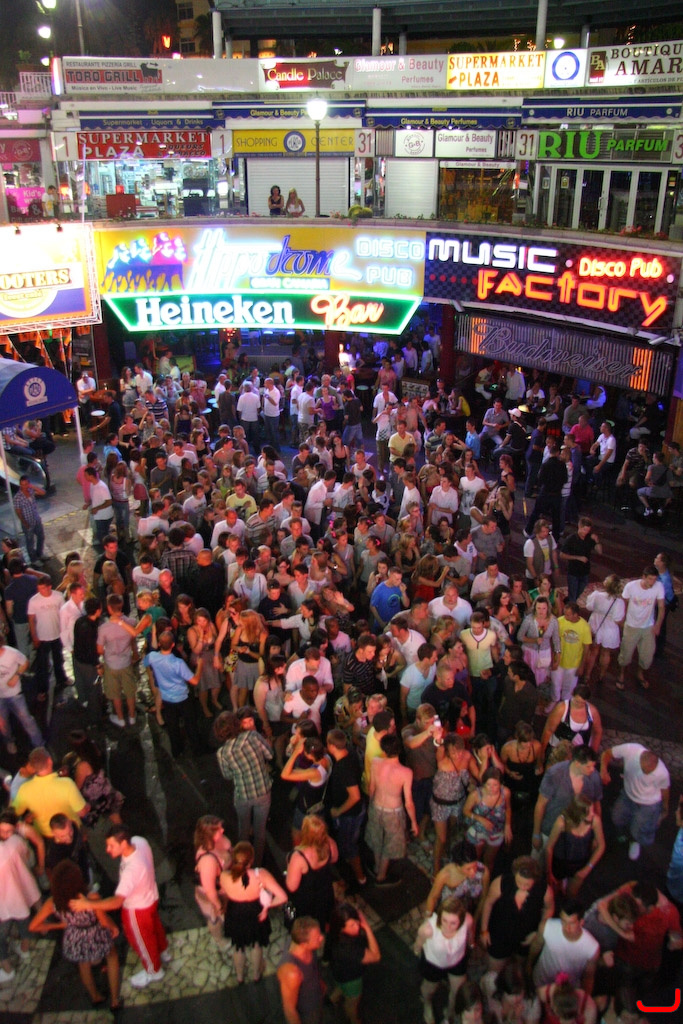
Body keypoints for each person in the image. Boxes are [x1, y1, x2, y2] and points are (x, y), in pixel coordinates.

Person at [70, 825, 170, 990]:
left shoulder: (131, 871)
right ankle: (163, 951)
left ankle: (154, 971)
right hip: (150, 897)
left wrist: (88, 904)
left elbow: (117, 901)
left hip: (137, 910)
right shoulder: (139, 841)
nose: (107, 850)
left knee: (143, 941)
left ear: (123, 843)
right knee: (155, 929)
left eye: (111, 845)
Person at [29, 860, 121, 1010]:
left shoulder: (53, 902)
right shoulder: (90, 898)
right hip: (95, 934)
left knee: (83, 964)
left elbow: (33, 926)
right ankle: (115, 1000)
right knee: (111, 956)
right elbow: (103, 921)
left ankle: (95, 997)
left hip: (75, 937)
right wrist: (113, 926)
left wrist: (59, 925)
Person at [220, 840, 287, 984]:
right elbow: (282, 897)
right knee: (256, 945)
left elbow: (224, 893)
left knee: (238, 947)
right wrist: (266, 906)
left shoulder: (224, 876)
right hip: (255, 912)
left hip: (235, 912)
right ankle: (256, 975)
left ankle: (239, 977)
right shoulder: (260, 875)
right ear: (251, 860)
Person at [600, 742, 670, 862]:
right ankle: (622, 834)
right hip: (628, 795)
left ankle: (634, 841)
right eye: (645, 770)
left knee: (638, 829)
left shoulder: (662, 773)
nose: (647, 774)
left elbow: (665, 791)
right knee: (616, 818)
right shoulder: (630, 750)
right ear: (640, 760)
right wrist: (603, 770)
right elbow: (607, 754)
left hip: (649, 803)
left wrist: (664, 808)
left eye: (650, 772)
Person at [413, 896, 474, 1024]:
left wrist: (471, 944)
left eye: (453, 923)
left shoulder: (467, 921)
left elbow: (470, 934)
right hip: (433, 963)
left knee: (458, 992)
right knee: (429, 989)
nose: (447, 926)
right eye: (444, 920)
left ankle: (450, 1014)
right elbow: (418, 944)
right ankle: (427, 1005)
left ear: (461, 921)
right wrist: (418, 953)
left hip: (457, 960)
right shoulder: (428, 930)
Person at [532, 746, 602, 856]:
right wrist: (536, 834)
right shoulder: (555, 774)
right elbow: (541, 804)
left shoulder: (594, 777)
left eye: (593, 766)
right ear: (577, 763)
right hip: (550, 827)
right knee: (539, 858)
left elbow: (596, 804)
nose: (592, 770)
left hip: (576, 834)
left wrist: (596, 836)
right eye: (588, 766)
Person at [366, 733, 418, 883]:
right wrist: (414, 822)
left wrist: (370, 805)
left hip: (376, 806)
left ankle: (377, 867)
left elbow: (371, 787)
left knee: (377, 839)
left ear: (383, 749)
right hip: (393, 811)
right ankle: (381, 876)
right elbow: (409, 802)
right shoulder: (406, 772)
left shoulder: (376, 762)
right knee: (390, 844)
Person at [0, 810, 42, 984]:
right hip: (21, 893)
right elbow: (28, 857)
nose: (5, 834)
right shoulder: (17, 841)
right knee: (24, 920)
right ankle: (24, 950)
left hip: (5, 900)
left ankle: (7, 969)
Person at [12, 745, 89, 837]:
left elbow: (13, 813)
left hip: (46, 836)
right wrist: (88, 805)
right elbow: (82, 812)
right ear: (49, 761)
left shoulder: (24, 789)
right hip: (70, 832)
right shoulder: (67, 784)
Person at [325, 728, 367, 887]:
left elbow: (355, 796)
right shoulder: (349, 753)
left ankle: (360, 878)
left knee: (349, 846)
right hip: (352, 812)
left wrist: (338, 811)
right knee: (348, 842)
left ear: (331, 746)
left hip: (350, 814)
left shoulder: (343, 768)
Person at [327, 904, 381, 1024]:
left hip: (338, 972)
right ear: (341, 928)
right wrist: (367, 928)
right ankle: (353, 1020)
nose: (358, 926)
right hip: (351, 979)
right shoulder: (349, 948)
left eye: (357, 921)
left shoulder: (334, 934)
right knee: (352, 1003)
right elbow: (376, 956)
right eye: (352, 925)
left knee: (341, 986)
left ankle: (332, 999)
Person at [530, 901, 600, 993]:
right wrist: (528, 966)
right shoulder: (547, 927)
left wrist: (584, 997)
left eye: (571, 923)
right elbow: (535, 947)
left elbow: (588, 977)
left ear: (581, 922)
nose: (567, 927)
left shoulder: (591, 947)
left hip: (567, 993)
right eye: (563, 921)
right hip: (540, 984)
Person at [545, 794, 606, 899]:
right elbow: (549, 848)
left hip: (580, 862)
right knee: (554, 892)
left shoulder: (595, 821)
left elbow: (601, 846)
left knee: (571, 894)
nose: (593, 814)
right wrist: (549, 872)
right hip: (560, 861)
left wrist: (588, 868)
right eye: (589, 812)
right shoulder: (562, 822)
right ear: (578, 813)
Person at [285, 814, 338, 931]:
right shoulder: (330, 843)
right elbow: (334, 858)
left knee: (304, 929)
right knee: (323, 922)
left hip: (305, 902)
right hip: (325, 895)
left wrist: (288, 869)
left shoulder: (298, 856)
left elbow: (292, 887)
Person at [616, 566, 665, 691]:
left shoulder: (658, 586)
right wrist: (623, 618)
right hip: (631, 625)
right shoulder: (631, 586)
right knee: (625, 655)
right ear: (643, 577)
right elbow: (624, 601)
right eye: (650, 579)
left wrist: (658, 624)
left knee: (647, 657)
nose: (652, 582)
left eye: (654, 579)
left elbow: (661, 607)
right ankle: (621, 674)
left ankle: (640, 673)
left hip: (648, 626)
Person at [192, 815, 232, 952]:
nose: (222, 830)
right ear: (209, 835)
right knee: (214, 918)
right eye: (218, 829)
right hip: (213, 895)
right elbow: (210, 890)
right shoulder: (207, 860)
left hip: (224, 887)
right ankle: (219, 940)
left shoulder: (220, 840)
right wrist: (218, 905)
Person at [277, 915, 326, 1024]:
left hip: (316, 1000)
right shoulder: (291, 972)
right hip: (307, 1013)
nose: (322, 938)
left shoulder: (307, 944)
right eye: (317, 937)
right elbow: (289, 1010)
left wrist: (320, 983)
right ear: (304, 944)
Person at [0, 632, 42, 754]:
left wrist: (16, 675)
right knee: (3, 723)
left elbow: (25, 662)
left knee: (26, 720)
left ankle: (39, 745)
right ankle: (9, 741)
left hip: (14, 694)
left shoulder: (11, 653)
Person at [463, 767, 512, 871]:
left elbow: (507, 808)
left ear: (501, 784)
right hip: (477, 830)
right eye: (488, 785)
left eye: (495, 785)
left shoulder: (505, 793)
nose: (491, 788)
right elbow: (466, 811)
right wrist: (480, 819)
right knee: (474, 859)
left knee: (489, 861)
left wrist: (508, 825)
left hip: (496, 831)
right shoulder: (476, 795)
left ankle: (486, 878)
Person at [583, 576, 625, 687]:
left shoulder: (596, 595)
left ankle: (587, 675)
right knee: (606, 653)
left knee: (593, 651)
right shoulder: (619, 602)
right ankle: (602, 674)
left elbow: (589, 607)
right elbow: (617, 619)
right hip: (610, 629)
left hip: (596, 625)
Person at [559, 519, 602, 604]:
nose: (586, 532)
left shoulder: (589, 538)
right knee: (573, 595)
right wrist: (578, 558)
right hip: (573, 572)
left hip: (585, 571)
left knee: (579, 591)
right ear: (579, 527)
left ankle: (569, 600)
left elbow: (600, 552)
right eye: (584, 530)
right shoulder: (571, 539)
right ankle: (571, 605)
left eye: (588, 530)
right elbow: (562, 555)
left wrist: (597, 541)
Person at [14, 476, 46, 566]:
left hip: (36, 519)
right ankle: (33, 559)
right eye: (22, 484)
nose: (24, 486)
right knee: (30, 541)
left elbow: (43, 492)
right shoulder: (18, 498)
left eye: (26, 484)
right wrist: (25, 523)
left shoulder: (31, 491)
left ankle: (39, 553)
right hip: (27, 522)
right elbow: (18, 512)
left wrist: (32, 486)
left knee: (41, 537)